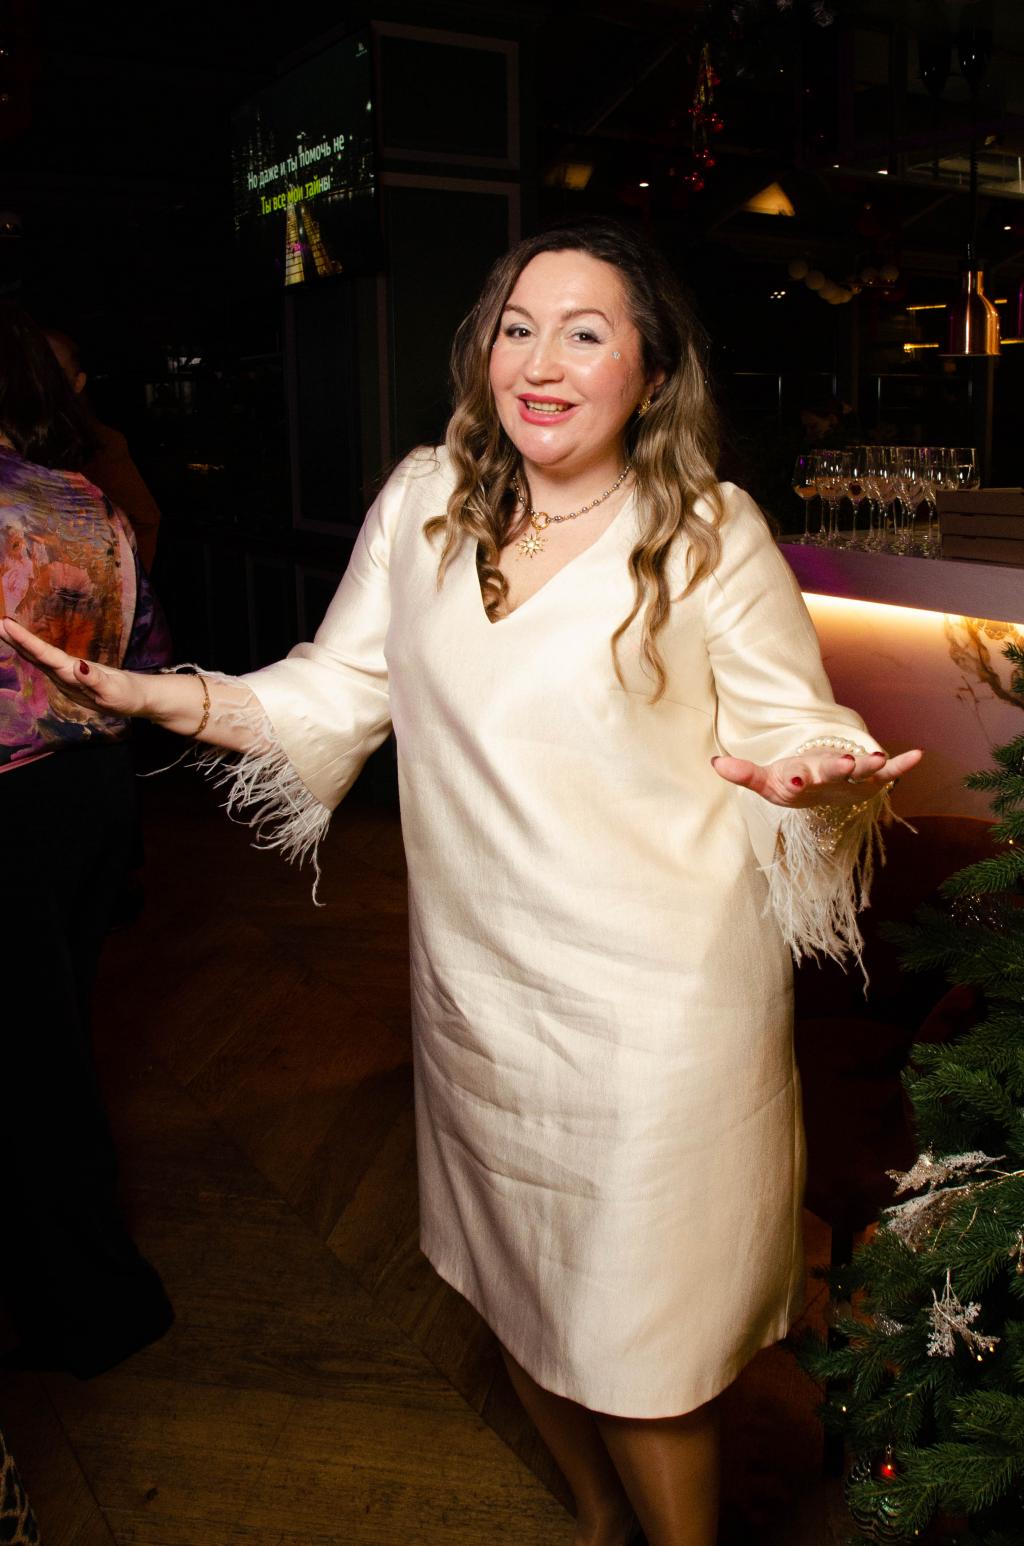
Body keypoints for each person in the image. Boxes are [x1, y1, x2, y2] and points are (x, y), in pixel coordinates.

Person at [1, 222, 922, 1546]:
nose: (540, 362)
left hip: (660, 1012)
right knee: (515, 1287)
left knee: (643, 1338)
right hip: (480, 990)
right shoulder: (424, 501)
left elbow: (793, 723)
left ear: (653, 372)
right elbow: (330, 692)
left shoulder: (706, 529)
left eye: (585, 333)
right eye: (516, 328)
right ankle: (599, 1520)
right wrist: (148, 693)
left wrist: (816, 775)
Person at [0, 303, 174, 1378]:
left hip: (12, 804)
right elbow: (145, 654)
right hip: (89, 796)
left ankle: (95, 1305)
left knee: (32, 1072)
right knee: (50, 1052)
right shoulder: (86, 499)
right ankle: (81, 1293)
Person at [45, 327, 163, 572]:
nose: (42, 383)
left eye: (54, 372)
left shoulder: (100, 445)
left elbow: (143, 522)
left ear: (78, 382)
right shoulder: (14, 444)